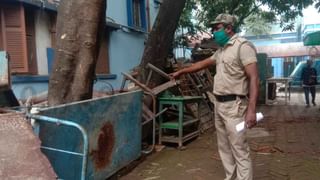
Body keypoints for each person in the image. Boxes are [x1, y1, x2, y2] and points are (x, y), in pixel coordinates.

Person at [170, 14, 259, 180]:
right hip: (219, 104)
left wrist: (252, 110)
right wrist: (182, 71)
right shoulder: (222, 50)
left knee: (239, 147)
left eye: (217, 28)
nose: (214, 32)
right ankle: (230, 176)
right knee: (224, 146)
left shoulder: (243, 47)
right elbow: (201, 64)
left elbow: (254, 78)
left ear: (228, 28)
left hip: (235, 106)